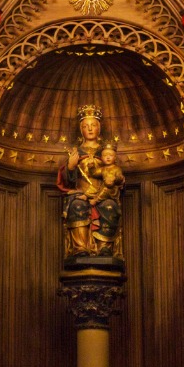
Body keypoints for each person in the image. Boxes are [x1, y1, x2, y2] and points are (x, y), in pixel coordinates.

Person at [56, 104, 116, 258]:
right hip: (81, 192)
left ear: (99, 128)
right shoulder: (77, 152)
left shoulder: (106, 152)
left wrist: (111, 178)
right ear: (81, 129)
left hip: (102, 193)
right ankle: (80, 248)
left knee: (109, 206)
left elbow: (115, 173)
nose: (90, 129)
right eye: (85, 126)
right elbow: (68, 182)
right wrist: (71, 166)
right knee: (77, 205)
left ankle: (104, 247)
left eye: (93, 125)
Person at [90, 145, 124, 257]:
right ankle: (96, 246)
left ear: (115, 157)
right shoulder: (103, 169)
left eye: (110, 155)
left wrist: (115, 179)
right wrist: (91, 166)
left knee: (108, 207)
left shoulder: (116, 169)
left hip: (111, 195)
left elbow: (119, 177)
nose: (108, 157)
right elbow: (95, 173)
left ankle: (107, 247)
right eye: (105, 155)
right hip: (102, 197)